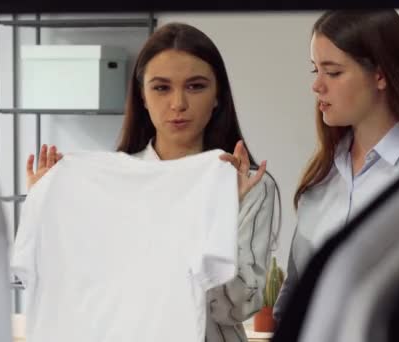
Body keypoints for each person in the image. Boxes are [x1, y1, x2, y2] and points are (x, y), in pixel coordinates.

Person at [24, 22, 279, 342]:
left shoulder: (250, 185)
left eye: (196, 86)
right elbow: (70, 286)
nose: (178, 104)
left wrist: (222, 217)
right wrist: (46, 209)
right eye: (161, 87)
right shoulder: (110, 185)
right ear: (142, 96)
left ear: (218, 96)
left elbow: (238, 307)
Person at [273, 9, 399, 321]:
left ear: (380, 75)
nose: (317, 86)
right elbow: (292, 300)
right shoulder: (322, 176)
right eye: (316, 70)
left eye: (333, 72)